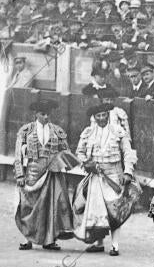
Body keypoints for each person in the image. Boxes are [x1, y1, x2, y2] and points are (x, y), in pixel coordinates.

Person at [74, 103, 141, 256]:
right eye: (99, 116)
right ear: (94, 117)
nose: (102, 118)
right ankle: (99, 243)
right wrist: (87, 163)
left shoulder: (118, 131)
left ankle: (115, 245)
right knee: (97, 210)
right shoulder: (88, 132)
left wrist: (128, 172)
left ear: (108, 115)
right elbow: (79, 152)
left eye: (104, 115)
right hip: (96, 177)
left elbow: (128, 153)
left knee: (114, 210)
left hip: (114, 175)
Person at [14, 99, 75, 251]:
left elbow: (65, 152)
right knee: (28, 205)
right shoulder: (25, 130)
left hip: (52, 172)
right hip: (33, 171)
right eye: (43, 114)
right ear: (36, 114)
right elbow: (18, 156)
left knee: (51, 205)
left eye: (48, 114)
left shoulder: (57, 131)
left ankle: (49, 240)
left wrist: (61, 162)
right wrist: (20, 175)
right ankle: (27, 239)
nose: (47, 117)